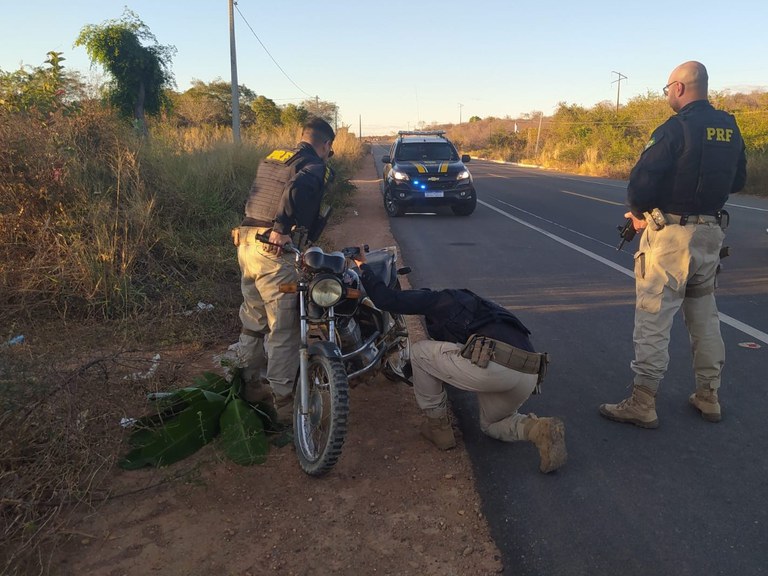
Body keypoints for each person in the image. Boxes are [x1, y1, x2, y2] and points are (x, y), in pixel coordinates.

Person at [600, 61, 747, 428]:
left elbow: (641, 187)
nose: (667, 95)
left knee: (653, 317)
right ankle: (708, 395)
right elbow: (739, 180)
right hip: (711, 234)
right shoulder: (729, 127)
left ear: (679, 88)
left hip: (671, 239)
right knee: (704, 317)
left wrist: (638, 214)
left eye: (667, 89)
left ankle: (643, 401)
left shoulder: (674, 129)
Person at [351, 251, 567, 474]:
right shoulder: (482, 308)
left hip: (497, 365)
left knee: (419, 353)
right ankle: (538, 429)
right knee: (492, 425)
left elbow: (387, 300)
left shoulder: (437, 299)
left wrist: (363, 265)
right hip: (529, 372)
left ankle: (439, 429)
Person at [228, 116, 336, 420]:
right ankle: (285, 405)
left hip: (246, 243)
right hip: (272, 249)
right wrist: (283, 226)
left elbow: (263, 193)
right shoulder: (314, 165)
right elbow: (298, 186)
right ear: (326, 145)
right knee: (283, 328)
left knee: (254, 319)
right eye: (329, 149)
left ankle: (250, 386)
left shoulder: (276, 158)